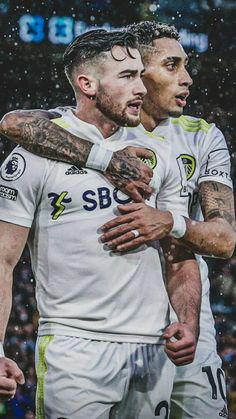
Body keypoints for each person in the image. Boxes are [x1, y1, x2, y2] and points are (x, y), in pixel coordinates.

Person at [3, 21, 235, 419]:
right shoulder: (44, 144)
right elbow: (3, 259)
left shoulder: (177, 146)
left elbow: (198, 246)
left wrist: (189, 318)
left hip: (162, 340)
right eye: (129, 76)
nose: (142, 88)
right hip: (76, 344)